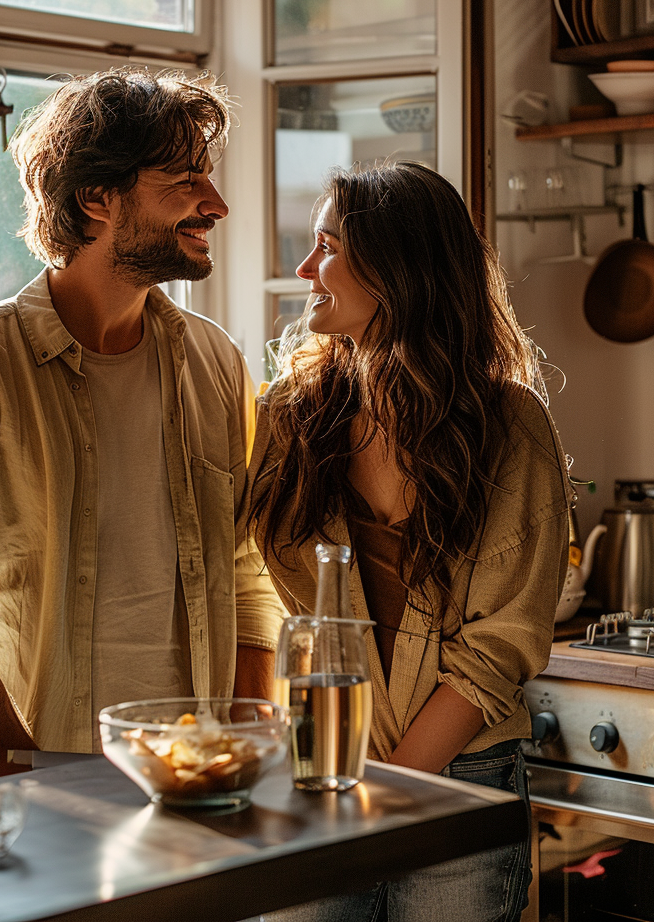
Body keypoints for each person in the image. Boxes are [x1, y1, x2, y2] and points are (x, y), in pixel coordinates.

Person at [0, 67, 286, 760]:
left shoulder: (216, 362)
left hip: (200, 777)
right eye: (185, 180)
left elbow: (249, 569)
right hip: (28, 788)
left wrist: (238, 739)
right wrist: (29, 774)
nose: (216, 204)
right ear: (97, 198)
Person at [245, 162, 572, 922]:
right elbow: (263, 596)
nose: (303, 269)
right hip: (317, 771)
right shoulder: (293, 416)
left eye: (326, 245)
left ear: (397, 267)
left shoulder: (509, 425)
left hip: (461, 780)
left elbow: (500, 645)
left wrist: (390, 792)